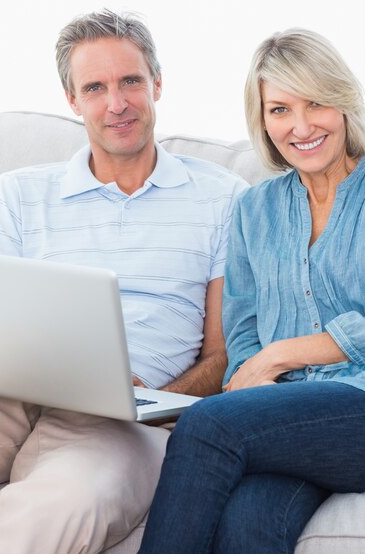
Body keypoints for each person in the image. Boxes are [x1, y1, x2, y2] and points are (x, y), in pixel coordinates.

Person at [0, 10, 247, 554]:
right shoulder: (19, 193)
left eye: (130, 82)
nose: (116, 103)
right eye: (95, 87)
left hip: (128, 419)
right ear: (72, 100)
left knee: (65, 504)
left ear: (158, 84)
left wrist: (159, 398)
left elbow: (222, 355)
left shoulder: (223, 198)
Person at [138, 28, 365, 554]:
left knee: (207, 424)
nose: (302, 126)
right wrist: (256, 375)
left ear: (344, 104)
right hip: (290, 420)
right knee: (248, 525)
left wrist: (280, 356)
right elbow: (243, 331)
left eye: (317, 104)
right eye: (280, 109)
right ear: (262, 120)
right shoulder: (254, 210)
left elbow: (263, 354)